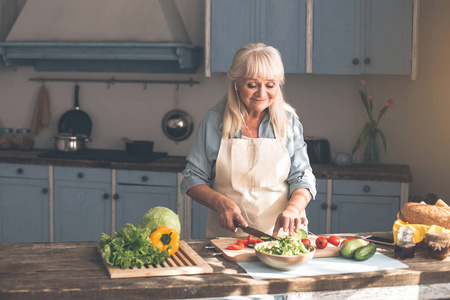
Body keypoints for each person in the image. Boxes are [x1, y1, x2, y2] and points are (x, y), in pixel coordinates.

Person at [180, 43, 316, 238]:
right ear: (236, 83)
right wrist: (220, 203)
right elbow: (192, 178)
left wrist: (293, 209)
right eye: (252, 85)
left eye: (270, 85)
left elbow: (302, 177)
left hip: (282, 238)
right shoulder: (215, 121)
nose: (262, 93)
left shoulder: (289, 121)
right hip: (229, 239)